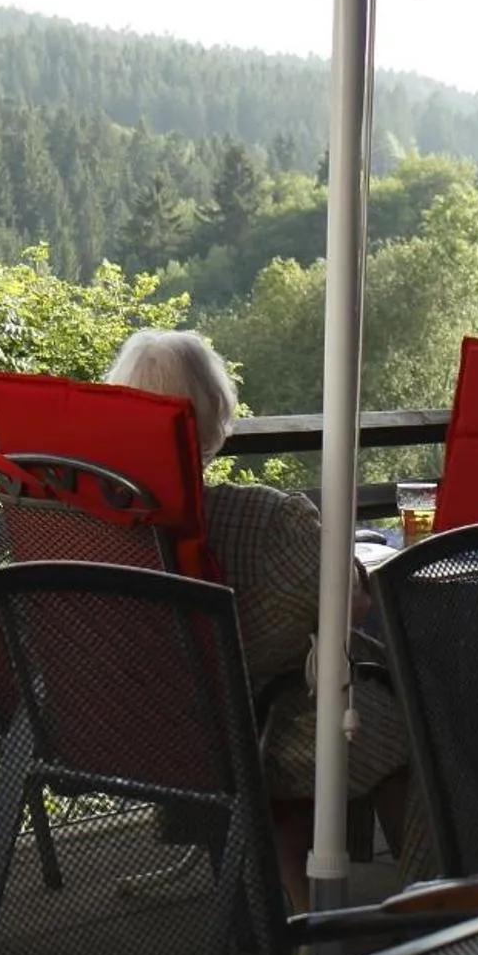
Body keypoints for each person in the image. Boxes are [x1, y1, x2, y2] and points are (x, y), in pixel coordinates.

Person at [106, 329, 410, 907]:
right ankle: (432, 890)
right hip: (265, 733)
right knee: (402, 719)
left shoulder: (104, 532)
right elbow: (350, 600)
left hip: (161, 728)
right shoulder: (263, 522)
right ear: (215, 410)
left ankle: (298, 913)